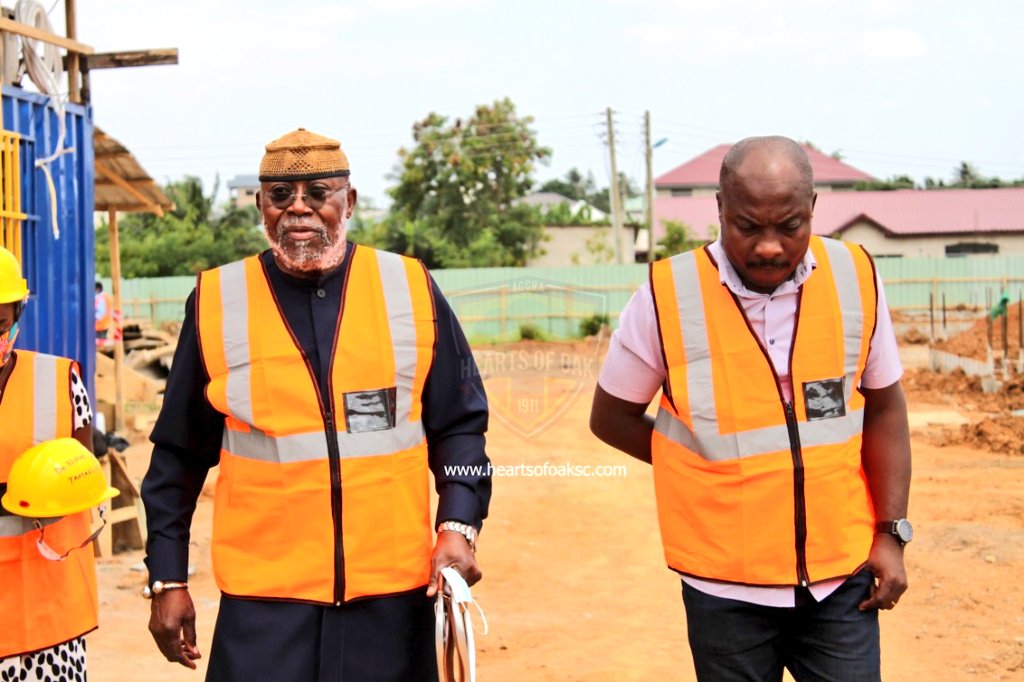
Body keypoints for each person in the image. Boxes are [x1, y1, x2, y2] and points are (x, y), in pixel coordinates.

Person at [141, 128, 492, 681]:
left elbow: (462, 427)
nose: (298, 207)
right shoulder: (217, 301)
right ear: (261, 205)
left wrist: (458, 524)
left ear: (347, 201)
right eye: (281, 195)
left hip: (393, 600)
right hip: (264, 606)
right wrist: (167, 577)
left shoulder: (410, 287)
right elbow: (177, 457)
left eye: (317, 192)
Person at [590, 136, 911, 681]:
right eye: (746, 226)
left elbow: (885, 409)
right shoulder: (667, 295)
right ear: (718, 209)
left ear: (812, 210)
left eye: (789, 226)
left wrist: (891, 532)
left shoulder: (854, 275)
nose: (768, 247)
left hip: (841, 580)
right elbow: (611, 417)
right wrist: (696, 466)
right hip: (724, 591)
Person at [0, 246, 98, 680]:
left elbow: (84, 478)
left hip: (44, 611)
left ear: (19, 313)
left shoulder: (59, 382)